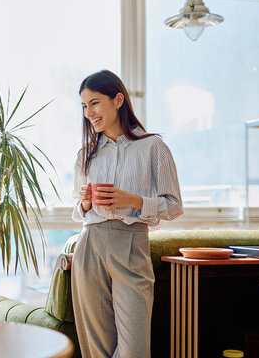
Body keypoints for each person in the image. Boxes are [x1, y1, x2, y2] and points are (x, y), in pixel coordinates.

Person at [71, 70, 183, 358]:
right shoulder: (86, 155)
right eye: (84, 106)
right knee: (97, 349)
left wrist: (132, 200)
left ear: (118, 99)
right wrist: (85, 203)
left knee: (134, 350)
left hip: (131, 243)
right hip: (90, 245)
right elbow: (79, 212)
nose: (89, 113)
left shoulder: (152, 146)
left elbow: (173, 206)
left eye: (94, 103)